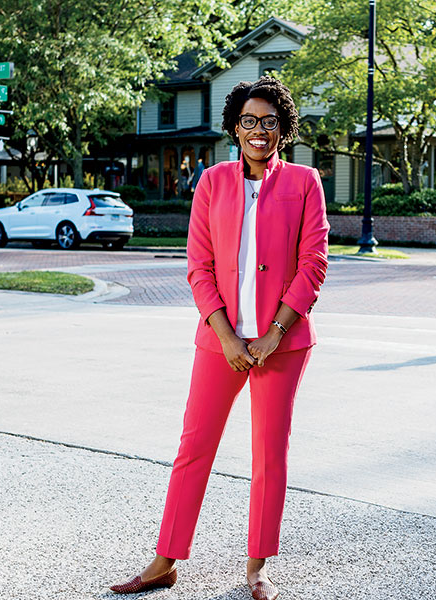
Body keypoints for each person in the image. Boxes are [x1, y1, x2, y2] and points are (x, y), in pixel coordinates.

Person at [110, 76, 329, 600]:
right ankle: (164, 561)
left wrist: (276, 331)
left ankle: (257, 569)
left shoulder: (305, 181)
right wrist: (228, 336)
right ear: (234, 127)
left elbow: (314, 263)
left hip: (283, 344)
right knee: (194, 447)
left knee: (269, 453)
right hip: (221, 343)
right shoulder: (211, 182)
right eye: (249, 121)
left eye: (269, 122)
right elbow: (200, 266)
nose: (259, 131)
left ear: (283, 129)